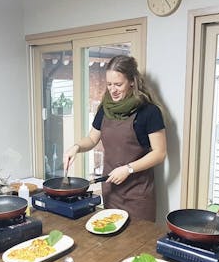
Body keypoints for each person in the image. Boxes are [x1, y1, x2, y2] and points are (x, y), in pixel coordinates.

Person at [63, 55, 167, 221]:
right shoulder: (105, 108)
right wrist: (76, 147)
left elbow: (159, 153)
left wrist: (128, 169)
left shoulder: (149, 112)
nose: (113, 90)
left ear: (132, 81)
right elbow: (92, 139)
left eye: (118, 84)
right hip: (111, 192)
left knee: (138, 245)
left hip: (137, 196)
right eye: (109, 84)